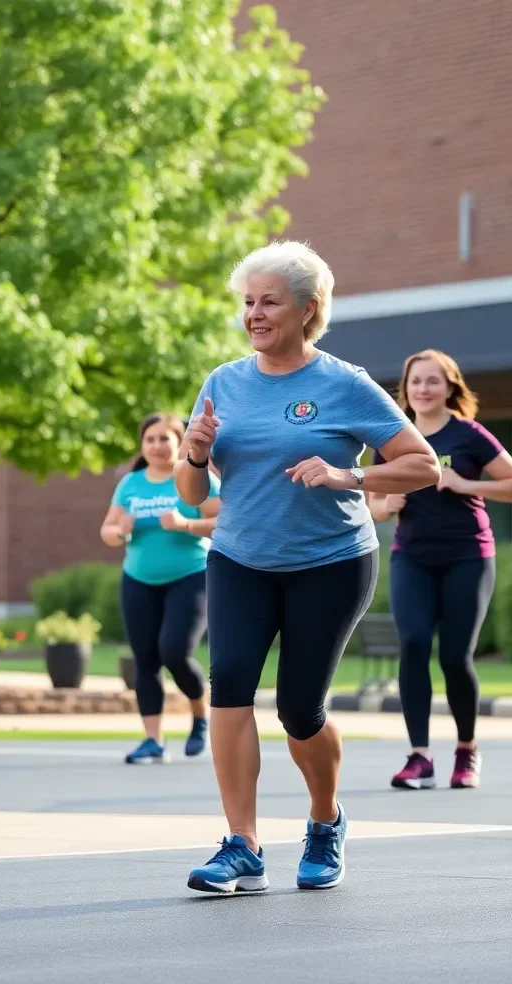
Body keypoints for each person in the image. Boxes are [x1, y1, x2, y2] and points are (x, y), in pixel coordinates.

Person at [175, 240, 440, 894]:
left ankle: (325, 820)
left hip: (329, 564)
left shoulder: (342, 384)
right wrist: (193, 453)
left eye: (269, 302)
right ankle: (242, 845)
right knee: (229, 686)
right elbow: (189, 495)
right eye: (247, 303)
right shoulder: (224, 383)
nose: (254, 315)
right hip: (240, 556)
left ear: (307, 309)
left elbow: (423, 465)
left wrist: (347, 473)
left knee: (300, 710)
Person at [368, 349, 512, 791]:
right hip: (412, 556)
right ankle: (419, 757)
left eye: (432, 381)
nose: (423, 389)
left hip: (468, 555)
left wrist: (467, 484)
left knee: (455, 656)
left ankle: (466, 750)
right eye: (416, 382)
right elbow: (374, 505)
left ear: (449, 387)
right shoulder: (393, 439)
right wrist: (388, 503)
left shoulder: (469, 435)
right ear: (405, 390)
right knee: (415, 644)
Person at [100, 413, 220, 764]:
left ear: (180, 441)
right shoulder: (130, 484)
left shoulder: (198, 478)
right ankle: (153, 740)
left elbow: (226, 522)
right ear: (142, 445)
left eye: (164, 438)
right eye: (149, 439)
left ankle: (200, 715)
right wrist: (119, 531)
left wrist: (187, 524)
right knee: (145, 661)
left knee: (174, 652)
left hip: (191, 577)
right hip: (138, 580)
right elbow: (107, 531)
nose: (156, 446)